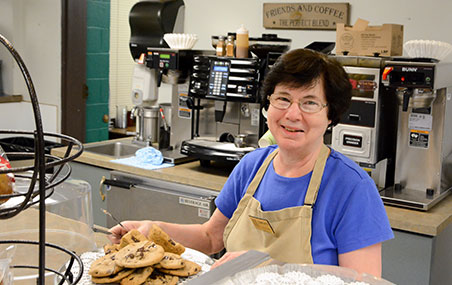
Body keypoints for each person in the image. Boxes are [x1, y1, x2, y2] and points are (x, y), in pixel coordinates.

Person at [109, 48, 394, 277]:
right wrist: (154, 231)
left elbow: (363, 281)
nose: (292, 114)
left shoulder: (352, 188)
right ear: (268, 105)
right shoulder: (252, 166)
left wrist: (262, 270)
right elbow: (211, 238)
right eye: (282, 99)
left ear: (331, 115)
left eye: (309, 103)